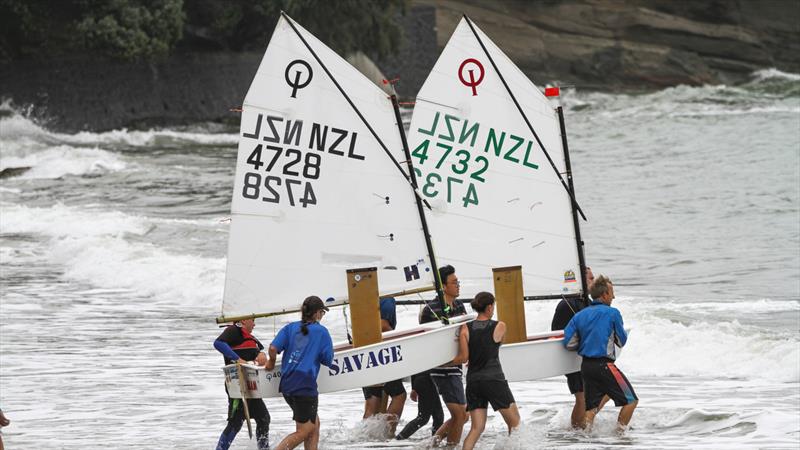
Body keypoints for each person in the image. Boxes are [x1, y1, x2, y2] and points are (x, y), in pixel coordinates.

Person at [563, 275, 638, 433]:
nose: (614, 296)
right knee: (631, 401)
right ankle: (620, 436)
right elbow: (621, 340)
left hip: (586, 366)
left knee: (591, 408)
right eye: (611, 293)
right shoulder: (612, 313)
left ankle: (584, 438)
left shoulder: (579, 315)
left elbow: (568, 343)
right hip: (604, 365)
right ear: (604, 295)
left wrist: (586, 344)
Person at [453, 292, 520, 450]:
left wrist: (443, 364)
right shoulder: (499, 326)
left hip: (473, 382)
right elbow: (498, 343)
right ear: (489, 307)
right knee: (515, 423)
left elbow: (463, 358)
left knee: (477, 429)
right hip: (494, 380)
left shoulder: (465, 329)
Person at [267, 296, 334, 450]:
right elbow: (328, 360)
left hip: (287, 384)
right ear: (317, 313)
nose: (322, 316)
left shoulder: (290, 328)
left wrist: (271, 362)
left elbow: (272, 348)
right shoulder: (322, 332)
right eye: (322, 313)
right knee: (305, 430)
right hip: (304, 385)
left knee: (314, 424)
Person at [551, 266, 607, 428]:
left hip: (588, 357)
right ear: (581, 281)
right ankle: (578, 432)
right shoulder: (566, 304)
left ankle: (583, 424)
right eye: (590, 278)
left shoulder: (588, 303)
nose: (594, 281)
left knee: (606, 391)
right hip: (572, 358)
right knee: (582, 397)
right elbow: (557, 334)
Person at [419, 265, 468, 445]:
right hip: (441, 367)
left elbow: (465, 331)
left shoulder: (459, 305)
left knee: (463, 415)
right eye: (454, 282)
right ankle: (448, 447)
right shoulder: (431, 309)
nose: (458, 285)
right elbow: (427, 341)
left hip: (457, 366)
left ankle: (431, 445)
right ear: (443, 286)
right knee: (460, 415)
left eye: (458, 282)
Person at [213, 318, 270, 450]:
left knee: (263, 418)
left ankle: (264, 448)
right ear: (244, 320)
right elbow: (218, 343)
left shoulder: (250, 337)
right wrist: (238, 359)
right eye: (253, 320)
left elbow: (259, 351)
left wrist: (261, 355)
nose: (254, 324)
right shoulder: (234, 330)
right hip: (237, 385)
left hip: (251, 386)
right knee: (236, 422)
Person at [362, 297, 406, 435]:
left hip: (365, 355)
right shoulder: (387, 299)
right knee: (399, 395)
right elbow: (383, 325)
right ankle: (387, 434)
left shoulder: (364, 298)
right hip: (382, 357)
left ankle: (364, 439)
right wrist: (400, 339)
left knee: (373, 401)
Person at [394, 370, 444, 440]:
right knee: (423, 418)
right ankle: (399, 438)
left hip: (424, 380)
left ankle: (435, 441)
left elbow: (415, 367)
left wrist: (414, 387)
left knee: (438, 416)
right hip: (426, 381)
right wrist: (414, 388)